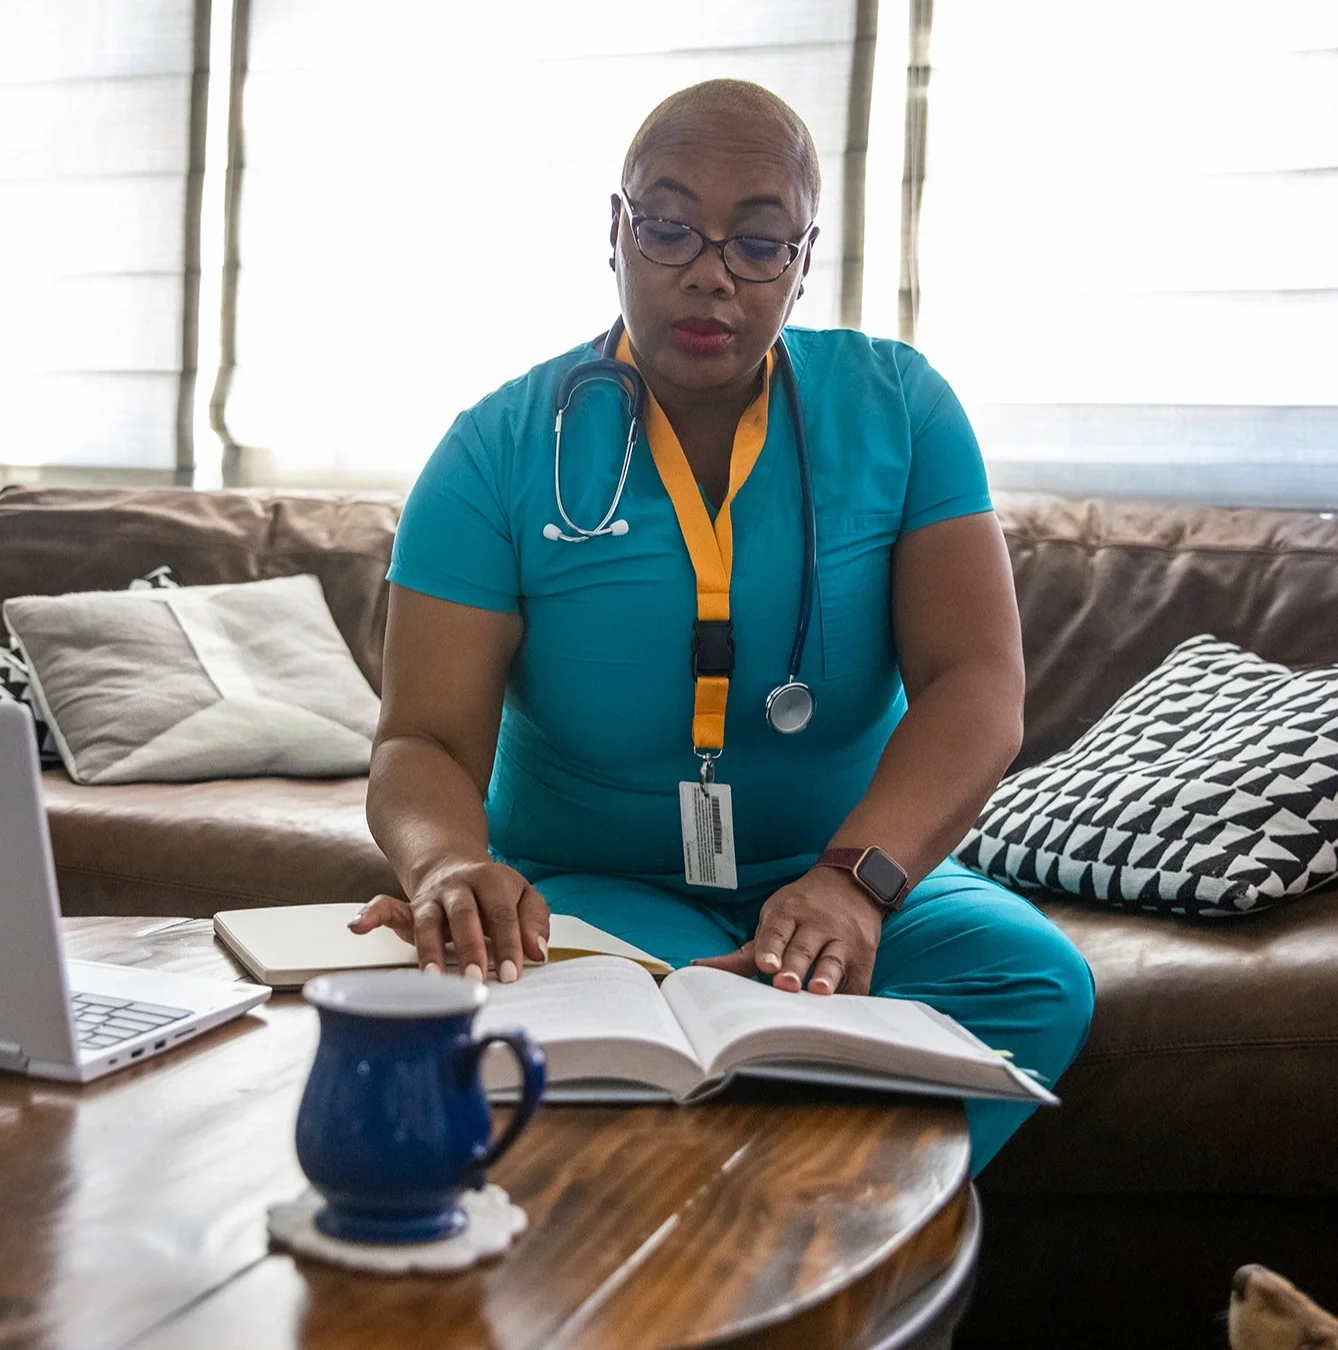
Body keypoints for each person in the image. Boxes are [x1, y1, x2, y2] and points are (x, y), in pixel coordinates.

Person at [350, 79, 1092, 1170]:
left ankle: (825, 1239)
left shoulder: (902, 407)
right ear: (615, 232)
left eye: (757, 240)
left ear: (802, 257)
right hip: (602, 885)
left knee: (1032, 981)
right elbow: (422, 742)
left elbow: (976, 684)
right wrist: (449, 867)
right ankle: (769, 1251)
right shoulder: (491, 452)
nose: (709, 272)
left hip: (847, 864)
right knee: (647, 1007)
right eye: (668, 226)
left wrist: (855, 883)